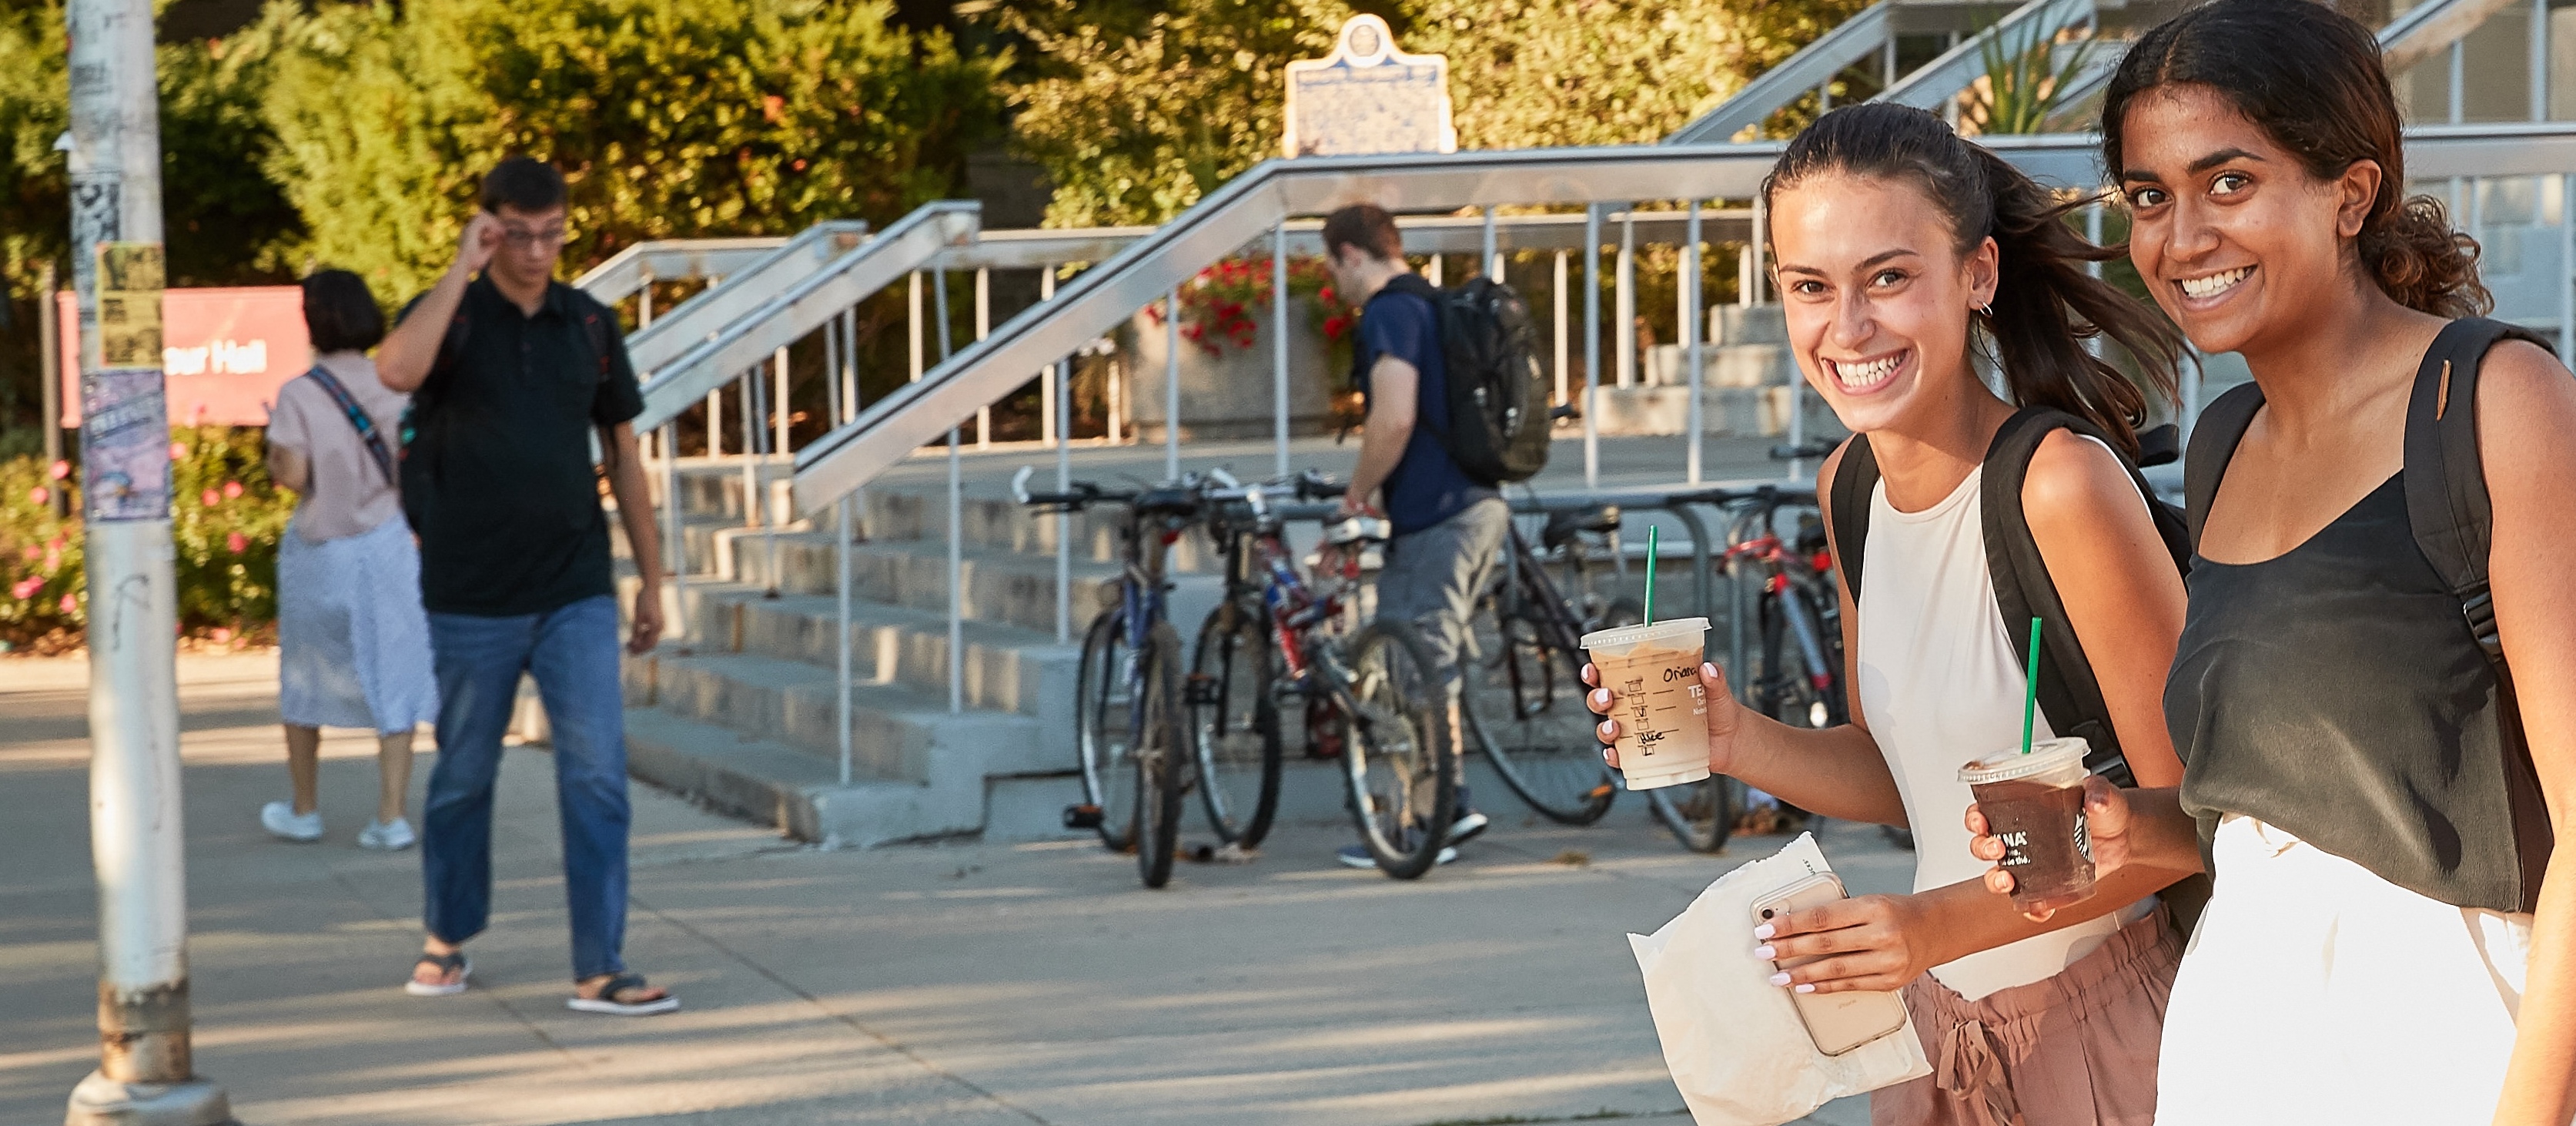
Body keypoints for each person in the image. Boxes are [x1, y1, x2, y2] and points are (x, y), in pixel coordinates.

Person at [1968, 3, 2576, 1121]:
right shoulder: (2223, 439)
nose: (2180, 235)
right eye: (2149, 195)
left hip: (2448, 1037)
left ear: (2349, 194)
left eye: (2229, 181)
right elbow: (2268, 818)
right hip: (2239, 1033)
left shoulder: (2492, 400)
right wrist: (2127, 827)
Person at [1587, 102, 2200, 1125]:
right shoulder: (1850, 487)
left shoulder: (2060, 486)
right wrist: (1737, 738)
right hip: (1935, 1038)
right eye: (1809, 288)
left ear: (1976, 274)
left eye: (1888, 277)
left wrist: (1929, 925)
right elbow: (1900, 776)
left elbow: (2195, 821)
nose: (1847, 328)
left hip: (2105, 1032)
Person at [373, 157, 675, 1016]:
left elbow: (623, 457)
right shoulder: (452, 317)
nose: (538, 251)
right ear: (489, 226)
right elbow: (395, 373)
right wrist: (459, 271)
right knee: (465, 773)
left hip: (575, 584)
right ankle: (448, 935)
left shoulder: (588, 324)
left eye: (554, 233)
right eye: (520, 232)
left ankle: (599, 964)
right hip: (471, 592)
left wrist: (652, 580)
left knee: (597, 777)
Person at [1320, 203, 1499, 870]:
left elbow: (1393, 418)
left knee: (1416, 664)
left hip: (1437, 515)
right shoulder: (1436, 301)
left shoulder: (1390, 312)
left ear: (1350, 253)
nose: (1333, 280)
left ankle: (1436, 816)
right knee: (1428, 658)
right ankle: (1435, 810)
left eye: (1331, 265)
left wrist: (1357, 494)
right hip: (1478, 504)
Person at [260, 269, 439, 851]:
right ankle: (390, 816)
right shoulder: (397, 384)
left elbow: (293, 476)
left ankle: (305, 808)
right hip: (387, 544)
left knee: (305, 673)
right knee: (394, 674)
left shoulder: (299, 394)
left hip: (321, 549)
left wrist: (272, 453)